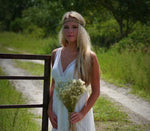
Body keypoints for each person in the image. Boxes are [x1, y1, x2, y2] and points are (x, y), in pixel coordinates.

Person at [48, 11, 100, 131]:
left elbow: (96, 91)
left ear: (81, 30)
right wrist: (50, 110)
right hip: (58, 112)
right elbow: (54, 85)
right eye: (66, 27)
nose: (70, 31)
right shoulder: (56, 54)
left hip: (77, 115)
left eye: (74, 27)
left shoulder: (89, 57)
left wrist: (82, 113)